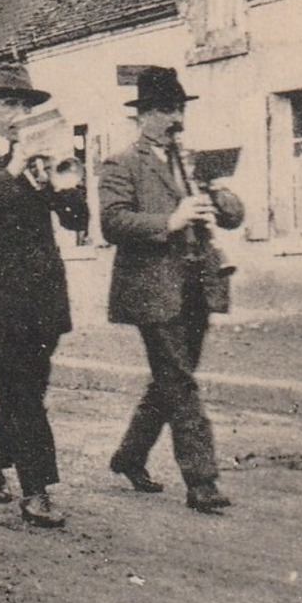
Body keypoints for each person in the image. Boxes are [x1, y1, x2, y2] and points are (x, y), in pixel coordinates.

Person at [0, 65, 89, 528]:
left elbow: (77, 221)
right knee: (22, 392)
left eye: (26, 105)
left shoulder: (47, 156)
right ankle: (37, 491)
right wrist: (12, 170)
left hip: (43, 290)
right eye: (8, 104)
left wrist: (66, 185)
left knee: (29, 389)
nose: (19, 113)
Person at [99, 66, 245, 514]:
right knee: (181, 383)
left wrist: (217, 193)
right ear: (141, 116)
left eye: (177, 109)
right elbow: (112, 221)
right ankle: (202, 482)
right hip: (150, 288)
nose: (173, 118)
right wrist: (171, 221)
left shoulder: (192, 161)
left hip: (197, 284)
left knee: (171, 380)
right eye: (163, 110)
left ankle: (129, 456)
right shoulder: (121, 164)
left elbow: (235, 217)